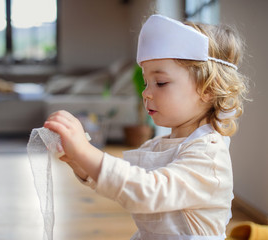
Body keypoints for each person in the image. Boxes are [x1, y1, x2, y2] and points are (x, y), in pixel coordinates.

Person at [44, 15, 248, 240]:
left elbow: (148, 191)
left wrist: (85, 151)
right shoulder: (157, 145)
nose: (146, 92)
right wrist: (77, 159)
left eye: (160, 83)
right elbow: (123, 178)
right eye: (146, 82)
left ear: (208, 89)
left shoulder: (209, 155)